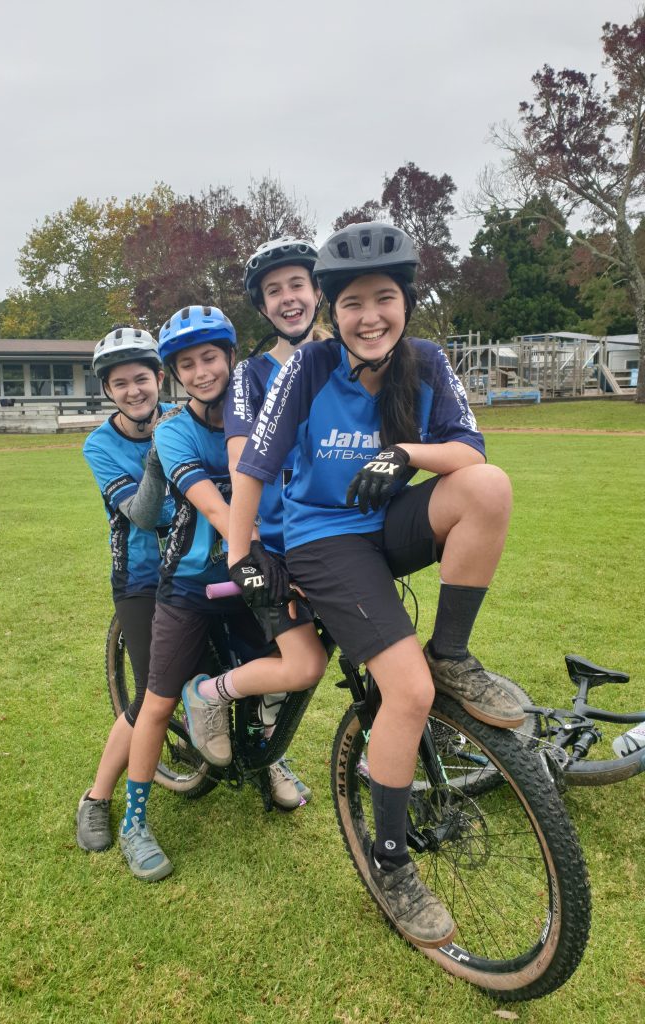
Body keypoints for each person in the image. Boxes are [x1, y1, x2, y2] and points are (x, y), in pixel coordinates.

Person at [227, 222, 526, 948]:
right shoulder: (310, 365)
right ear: (333, 313)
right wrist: (242, 556)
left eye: (384, 298)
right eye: (353, 303)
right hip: (323, 538)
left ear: (406, 303)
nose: (370, 317)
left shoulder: (427, 362)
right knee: (408, 693)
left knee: (488, 486)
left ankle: (452, 653)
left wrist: (405, 453)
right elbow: (254, 465)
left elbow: (471, 451)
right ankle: (390, 863)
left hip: (386, 521)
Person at [118, 305, 327, 881]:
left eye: (210, 358)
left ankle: (267, 760)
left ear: (231, 358)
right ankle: (134, 821)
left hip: (252, 578)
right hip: (190, 581)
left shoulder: (257, 411)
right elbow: (213, 505)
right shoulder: (173, 431)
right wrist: (254, 543)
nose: (201, 372)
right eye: (187, 365)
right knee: (157, 702)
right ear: (174, 375)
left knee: (274, 678)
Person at [222, 236, 325, 806]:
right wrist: (251, 542)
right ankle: (259, 742)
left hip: (339, 534)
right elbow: (241, 459)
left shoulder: (342, 360)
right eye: (274, 291)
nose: (288, 298)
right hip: (279, 544)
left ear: (317, 292)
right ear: (263, 307)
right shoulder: (251, 374)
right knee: (297, 663)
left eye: (297, 285)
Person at [76, 325, 175, 853]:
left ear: (159, 378)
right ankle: (97, 797)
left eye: (141, 378)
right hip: (140, 579)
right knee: (152, 694)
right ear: (108, 391)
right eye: (120, 383)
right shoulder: (100, 445)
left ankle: (266, 760)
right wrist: (162, 451)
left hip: (196, 570)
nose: (134, 390)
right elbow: (142, 513)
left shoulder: (184, 419)